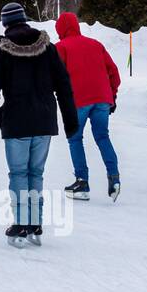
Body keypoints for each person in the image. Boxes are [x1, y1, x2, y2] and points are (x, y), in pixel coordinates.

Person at [0, 3, 78, 248]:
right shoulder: (48, 48)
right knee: (36, 173)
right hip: (44, 121)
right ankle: (35, 224)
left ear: (5, 24)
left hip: (17, 121)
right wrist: (71, 121)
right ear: (24, 20)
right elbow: (63, 85)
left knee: (19, 173)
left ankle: (21, 224)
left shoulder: (0, 51)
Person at [54, 11, 122, 202]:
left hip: (78, 101)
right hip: (102, 100)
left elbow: (56, 77)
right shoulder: (96, 44)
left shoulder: (61, 47)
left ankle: (82, 181)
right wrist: (112, 96)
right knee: (102, 136)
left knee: (75, 138)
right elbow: (114, 72)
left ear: (60, 29)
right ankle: (114, 178)